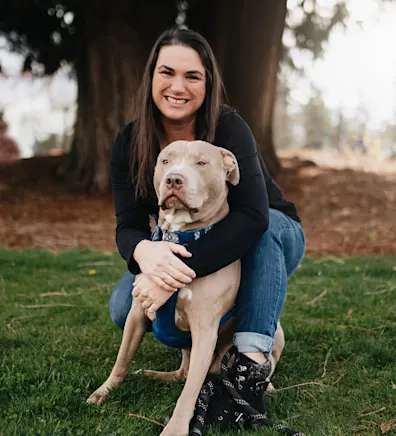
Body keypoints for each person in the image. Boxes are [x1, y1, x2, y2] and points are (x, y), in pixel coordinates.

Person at [109, 27, 305, 429]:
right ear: (151, 78)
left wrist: (174, 275)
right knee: (120, 307)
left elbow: (254, 217)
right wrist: (147, 255)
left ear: (208, 83)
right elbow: (129, 224)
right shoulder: (132, 142)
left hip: (272, 232)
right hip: (186, 240)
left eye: (192, 76)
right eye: (167, 73)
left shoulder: (229, 128)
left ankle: (248, 366)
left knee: (261, 234)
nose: (177, 86)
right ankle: (207, 353)